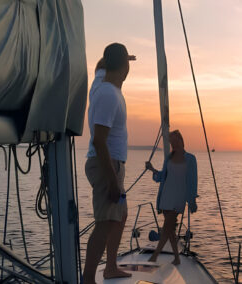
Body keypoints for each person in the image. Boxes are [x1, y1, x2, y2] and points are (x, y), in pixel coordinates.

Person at [83, 43, 135, 283]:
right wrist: (113, 181)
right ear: (124, 66)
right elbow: (99, 140)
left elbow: (99, 65)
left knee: (120, 215)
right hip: (107, 164)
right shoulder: (108, 94)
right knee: (105, 222)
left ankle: (111, 266)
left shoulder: (99, 82)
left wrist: (122, 57)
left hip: (112, 163)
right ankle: (88, 279)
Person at [145, 130, 198, 265]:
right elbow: (163, 177)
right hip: (166, 195)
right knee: (170, 229)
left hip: (178, 197)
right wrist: (152, 169)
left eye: (174, 141)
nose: (173, 144)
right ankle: (177, 258)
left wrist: (192, 201)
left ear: (181, 140)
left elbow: (192, 181)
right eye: (171, 142)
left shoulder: (191, 159)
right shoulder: (168, 158)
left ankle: (155, 255)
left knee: (167, 226)